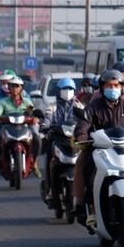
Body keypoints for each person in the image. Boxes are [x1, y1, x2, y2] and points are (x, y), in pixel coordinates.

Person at [73, 69, 124, 227]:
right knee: (89, 167)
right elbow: (82, 125)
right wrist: (82, 135)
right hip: (101, 149)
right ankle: (93, 211)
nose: (113, 89)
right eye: (109, 85)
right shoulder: (93, 106)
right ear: (102, 87)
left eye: (116, 85)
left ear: (122, 87)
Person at [39, 77, 84, 209]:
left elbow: (85, 119)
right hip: (56, 138)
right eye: (64, 89)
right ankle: (50, 189)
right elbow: (48, 118)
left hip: (75, 140)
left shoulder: (78, 105)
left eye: (70, 89)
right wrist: (44, 126)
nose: (67, 91)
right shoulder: (52, 106)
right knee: (49, 159)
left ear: (74, 91)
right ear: (59, 91)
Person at [0, 75, 38, 176]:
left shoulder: (26, 102)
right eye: (12, 86)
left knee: (37, 139)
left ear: (21, 88)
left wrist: (36, 118)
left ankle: (35, 162)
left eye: (17, 86)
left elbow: (33, 113)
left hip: (24, 128)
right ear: (9, 88)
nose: (15, 89)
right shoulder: (3, 102)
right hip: (7, 128)